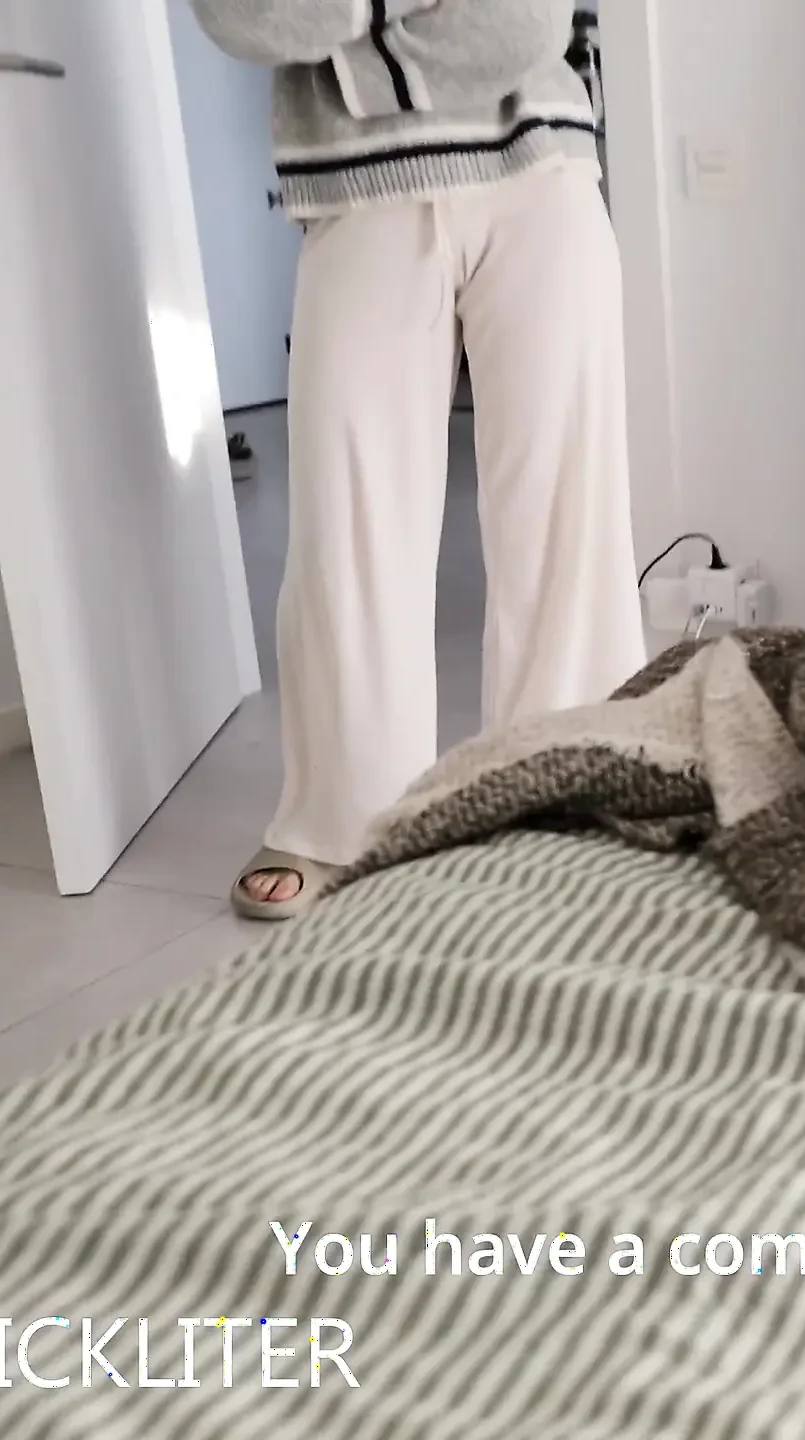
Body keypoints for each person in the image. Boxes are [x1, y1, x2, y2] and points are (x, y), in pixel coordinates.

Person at [193, 0, 645, 919]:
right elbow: (241, 17)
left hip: (544, 170)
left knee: (566, 522)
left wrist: (355, 37)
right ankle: (340, 820)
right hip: (355, 188)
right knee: (347, 521)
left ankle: (555, 804)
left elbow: (524, 25)